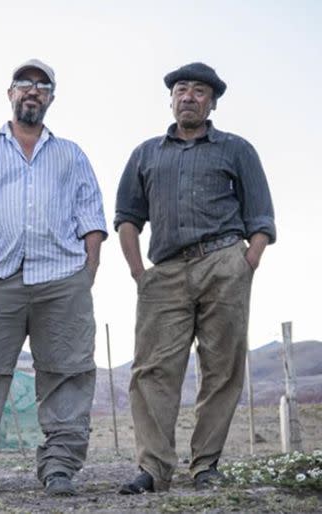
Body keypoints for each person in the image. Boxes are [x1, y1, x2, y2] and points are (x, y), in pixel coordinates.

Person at [0, 59, 107, 500]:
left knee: (67, 373)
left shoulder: (71, 153)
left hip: (63, 279)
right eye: (24, 84)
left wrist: (86, 271)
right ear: (10, 93)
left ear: (51, 97)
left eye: (42, 86)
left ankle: (60, 468)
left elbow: (91, 216)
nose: (32, 91)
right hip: (1, 275)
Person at [115, 62, 275, 494]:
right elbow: (127, 218)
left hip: (224, 261)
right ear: (170, 99)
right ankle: (152, 469)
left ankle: (206, 466)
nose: (189, 96)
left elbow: (260, 216)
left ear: (212, 102)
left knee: (221, 368)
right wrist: (138, 273)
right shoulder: (146, 153)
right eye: (181, 89)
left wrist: (247, 261)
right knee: (151, 370)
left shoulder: (236, 149)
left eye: (199, 91)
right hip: (163, 271)